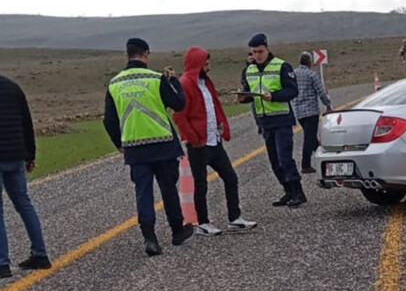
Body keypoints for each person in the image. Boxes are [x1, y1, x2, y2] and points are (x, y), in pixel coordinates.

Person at [104, 38, 194, 256]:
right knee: (168, 189)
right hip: (162, 143)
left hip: (135, 147)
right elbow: (179, 104)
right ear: (146, 54)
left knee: (143, 192)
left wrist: (120, 143)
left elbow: (109, 120)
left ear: (126, 55)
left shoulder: (114, 84)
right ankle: (176, 231)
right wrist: (172, 81)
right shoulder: (156, 79)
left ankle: (150, 238)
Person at [172, 47, 257, 236]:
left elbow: (213, 107)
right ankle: (203, 222)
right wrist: (193, 139)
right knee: (201, 184)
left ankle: (235, 218)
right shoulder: (185, 84)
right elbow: (179, 116)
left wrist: (222, 127)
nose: (209, 68)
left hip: (214, 141)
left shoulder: (205, 83)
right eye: (206, 64)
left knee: (230, 178)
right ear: (198, 64)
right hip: (199, 145)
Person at [239, 33, 305, 208]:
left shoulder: (282, 66)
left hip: (281, 118)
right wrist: (243, 97)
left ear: (267, 48)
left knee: (285, 157)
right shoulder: (249, 70)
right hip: (264, 121)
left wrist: (274, 96)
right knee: (274, 160)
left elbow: (292, 91)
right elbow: (249, 91)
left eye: (260, 51)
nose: (257, 55)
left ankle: (298, 191)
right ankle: (287, 191)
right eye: (254, 52)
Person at [0, 74, 50, 279]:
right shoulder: (12, 87)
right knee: (24, 204)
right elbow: (27, 123)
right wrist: (30, 155)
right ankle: (40, 253)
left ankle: (2, 263)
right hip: (16, 155)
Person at [291, 51, 332, 174]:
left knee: (312, 137)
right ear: (309, 62)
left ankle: (324, 158)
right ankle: (305, 164)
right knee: (309, 138)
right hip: (311, 111)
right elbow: (321, 92)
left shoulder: (293, 74)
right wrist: (328, 105)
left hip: (299, 112)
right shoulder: (312, 75)